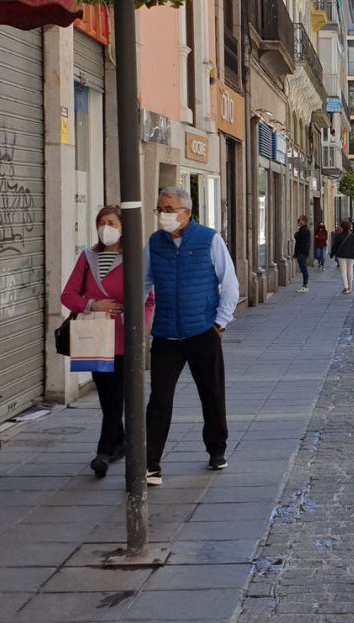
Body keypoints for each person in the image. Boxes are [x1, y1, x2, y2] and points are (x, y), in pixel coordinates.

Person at [143, 187, 240, 486]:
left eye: (169, 208)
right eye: (160, 208)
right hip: (166, 334)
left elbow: (230, 283)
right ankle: (150, 464)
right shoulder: (155, 243)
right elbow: (144, 281)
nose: (164, 214)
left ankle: (216, 450)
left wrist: (219, 324)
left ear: (186, 211)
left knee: (211, 393)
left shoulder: (209, 239)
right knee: (159, 400)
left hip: (202, 331)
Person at [61, 205, 155, 479]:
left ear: (123, 227)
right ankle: (120, 442)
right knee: (107, 398)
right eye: (101, 222)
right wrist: (93, 304)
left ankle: (103, 452)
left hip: (124, 339)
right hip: (94, 339)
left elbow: (149, 300)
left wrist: (139, 328)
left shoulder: (135, 259)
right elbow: (68, 296)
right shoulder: (88, 257)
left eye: (112, 222)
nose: (106, 227)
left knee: (116, 399)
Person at [334, 218, 354, 293]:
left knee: (343, 271)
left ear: (342, 227)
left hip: (341, 255)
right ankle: (350, 287)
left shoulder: (339, 236)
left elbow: (335, 246)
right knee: (350, 271)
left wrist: (332, 254)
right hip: (351, 255)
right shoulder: (353, 236)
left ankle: (346, 287)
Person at [293, 215, 312, 293]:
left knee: (304, 269)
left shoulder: (305, 230)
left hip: (302, 252)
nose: (298, 222)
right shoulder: (302, 230)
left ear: (304, 221)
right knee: (303, 269)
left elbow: (300, 239)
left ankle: (305, 286)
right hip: (301, 252)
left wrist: (296, 235)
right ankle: (305, 285)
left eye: (300, 220)